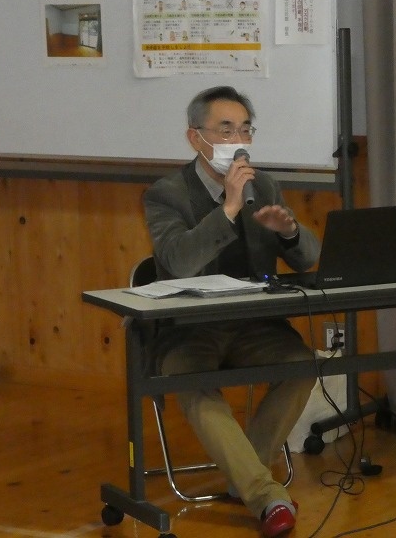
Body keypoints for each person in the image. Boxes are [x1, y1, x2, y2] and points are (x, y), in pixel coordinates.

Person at [142, 86, 319, 536]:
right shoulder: (166, 194)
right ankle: (266, 495)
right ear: (195, 138)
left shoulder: (265, 184)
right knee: (193, 382)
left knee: (301, 364)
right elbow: (178, 261)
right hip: (188, 327)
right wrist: (229, 208)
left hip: (253, 324)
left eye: (244, 130)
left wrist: (289, 233)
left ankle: (248, 478)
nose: (237, 141)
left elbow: (309, 259)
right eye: (225, 130)